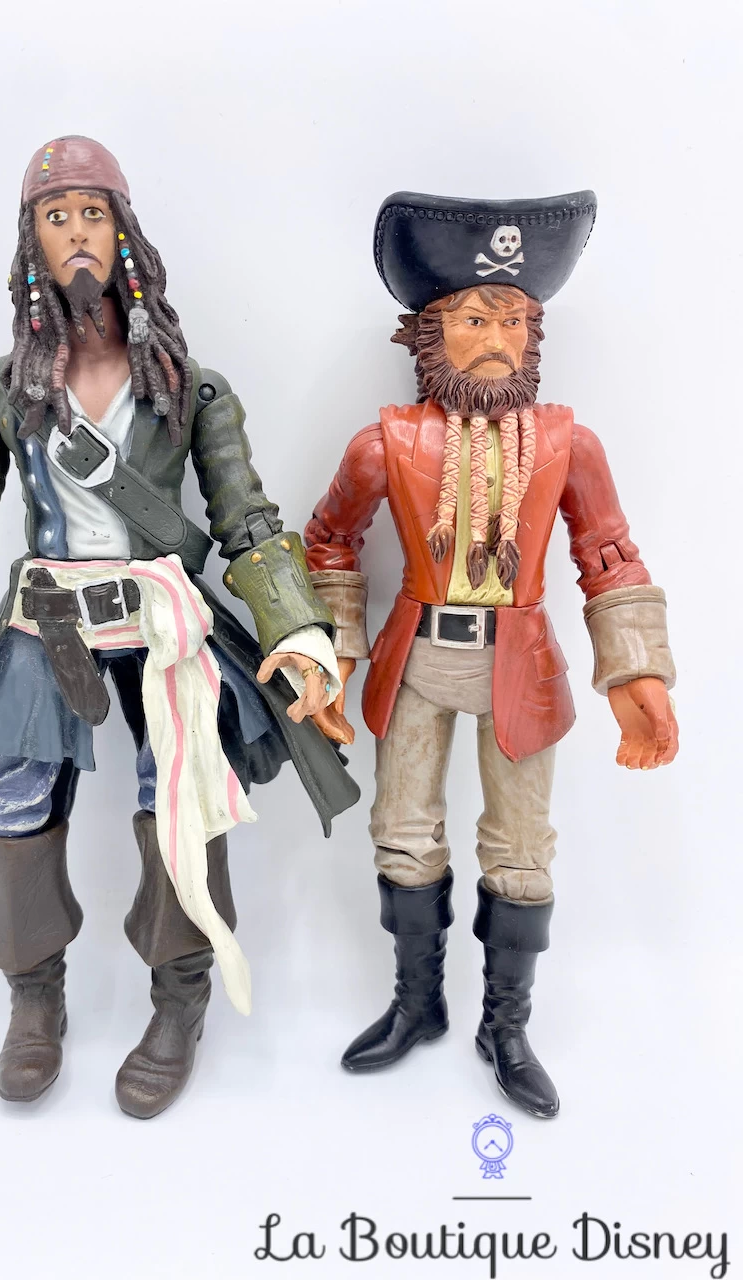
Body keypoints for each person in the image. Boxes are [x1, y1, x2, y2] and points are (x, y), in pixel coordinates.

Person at [0, 135, 358, 1119]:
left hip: (164, 622)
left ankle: (179, 1001)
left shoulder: (192, 389)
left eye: (93, 213)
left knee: (181, 797)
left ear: (124, 233)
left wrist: (301, 635)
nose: (78, 231)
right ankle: (32, 996)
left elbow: (249, 525)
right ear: (34, 245)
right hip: (45, 621)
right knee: (7, 799)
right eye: (57, 217)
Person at [304, 190, 677, 1118]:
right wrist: (334, 652)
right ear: (428, 334)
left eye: (514, 320)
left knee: (521, 845)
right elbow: (330, 539)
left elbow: (608, 552)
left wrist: (637, 670)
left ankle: (506, 1025)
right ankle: (417, 1003)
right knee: (404, 829)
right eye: (475, 319)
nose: (498, 338)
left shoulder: (566, 443)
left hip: (521, 664)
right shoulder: (386, 443)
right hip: (418, 660)